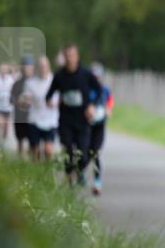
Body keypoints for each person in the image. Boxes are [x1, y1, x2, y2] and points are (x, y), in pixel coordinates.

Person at [46, 44, 101, 187]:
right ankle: (69, 180)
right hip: (66, 121)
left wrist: (92, 105)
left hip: (83, 120)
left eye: (73, 56)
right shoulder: (59, 76)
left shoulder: (86, 74)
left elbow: (99, 90)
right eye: (67, 56)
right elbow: (49, 94)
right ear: (64, 58)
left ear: (77, 57)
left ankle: (80, 171)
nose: (70, 59)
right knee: (68, 152)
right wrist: (50, 102)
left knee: (83, 153)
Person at [87, 62, 114, 196]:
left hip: (99, 124)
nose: (96, 78)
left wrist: (108, 109)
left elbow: (109, 100)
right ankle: (79, 174)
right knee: (84, 152)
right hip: (86, 125)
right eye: (94, 76)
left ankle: (97, 181)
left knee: (95, 153)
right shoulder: (86, 89)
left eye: (98, 76)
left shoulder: (104, 89)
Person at [26, 56, 58, 162]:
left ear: (48, 67)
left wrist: (55, 103)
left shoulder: (55, 80)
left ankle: (47, 170)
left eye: (45, 66)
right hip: (34, 119)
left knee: (48, 150)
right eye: (41, 66)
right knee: (34, 151)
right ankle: (36, 172)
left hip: (51, 120)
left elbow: (61, 97)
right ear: (37, 68)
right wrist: (26, 100)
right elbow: (25, 97)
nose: (43, 68)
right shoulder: (30, 82)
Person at [10, 56, 36, 157]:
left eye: (29, 67)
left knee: (33, 143)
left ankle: (32, 165)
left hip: (33, 117)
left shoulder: (36, 82)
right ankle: (20, 164)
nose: (27, 69)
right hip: (20, 116)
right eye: (25, 67)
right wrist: (19, 101)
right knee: (20, 141)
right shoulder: (16, 84)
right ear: (21, 69)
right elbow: (10, 100)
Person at [0, 63, 16, 146]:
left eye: (5, 69)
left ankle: (4, 142)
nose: (3, 71)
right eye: (2, 69)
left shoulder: (11, 80)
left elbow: (14, 92)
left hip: (7, 106)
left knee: (5, 126)